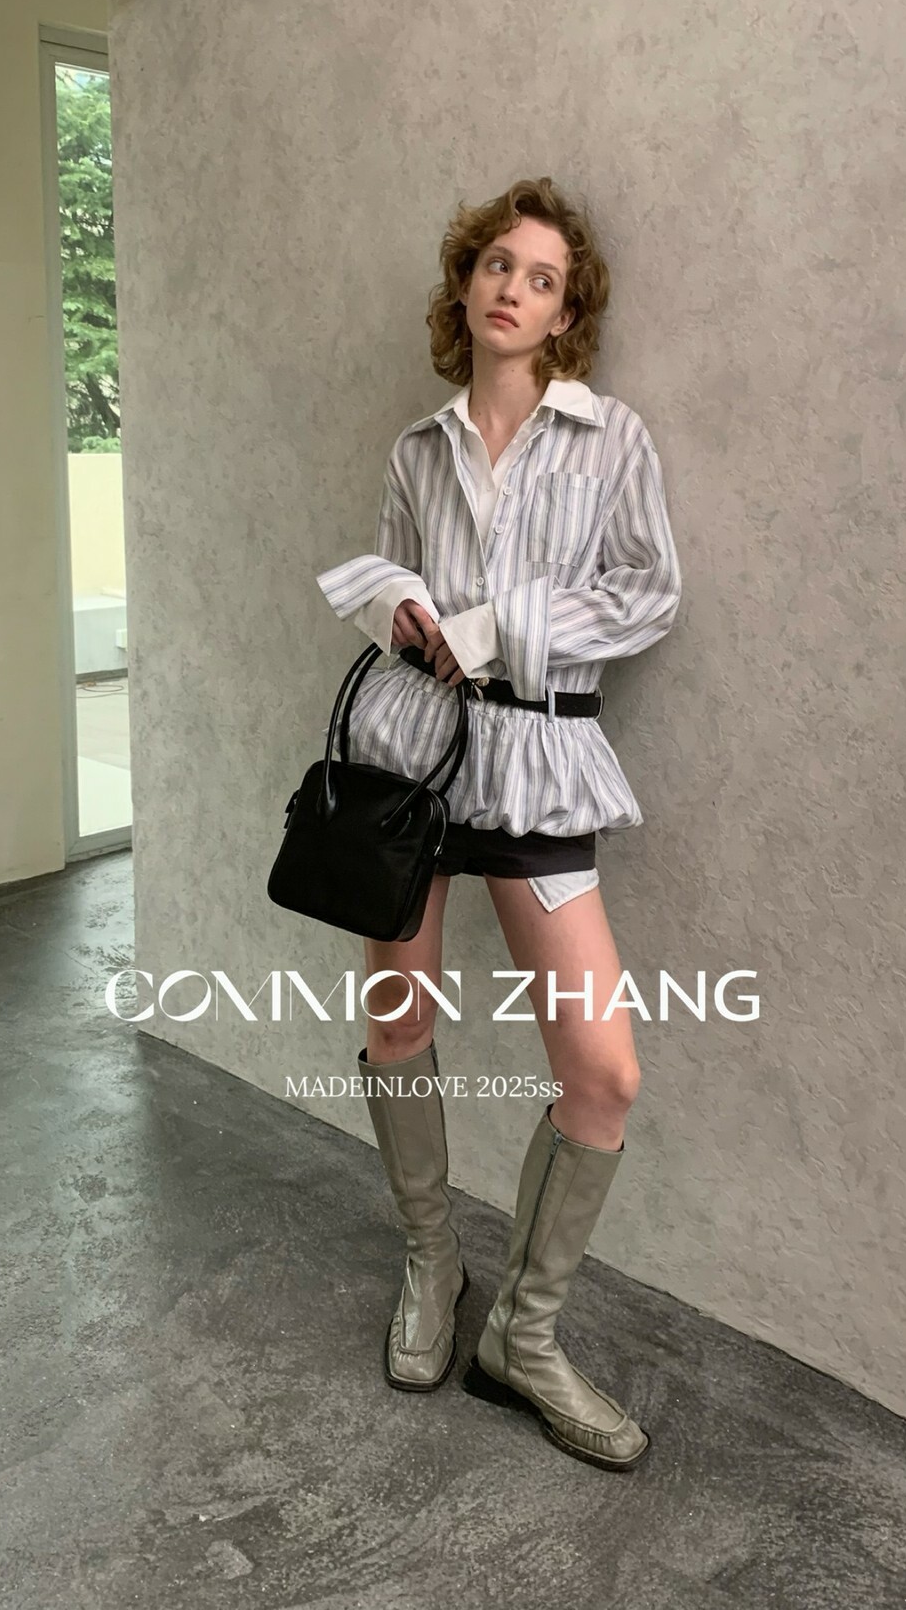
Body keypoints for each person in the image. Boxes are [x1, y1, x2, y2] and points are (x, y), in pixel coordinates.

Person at [315, 175, 682, 1473]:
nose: (511, 289)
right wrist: (401, 610)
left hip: (537, 758)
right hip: (414, 756)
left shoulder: (609, 437)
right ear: (464, 285)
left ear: (565, 312)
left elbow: (649, 594)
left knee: (603, 1071)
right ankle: (432, 1267)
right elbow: (390, 576)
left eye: (540, 278)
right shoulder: (416, 451)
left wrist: (497, 627)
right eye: (495, 266)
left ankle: (524, 1337)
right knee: (397, 1019)